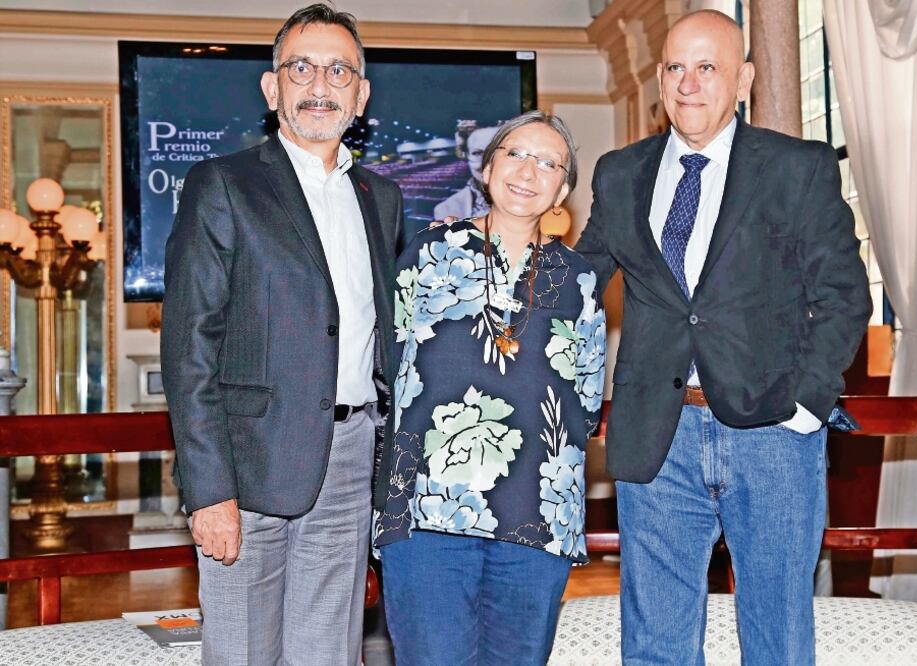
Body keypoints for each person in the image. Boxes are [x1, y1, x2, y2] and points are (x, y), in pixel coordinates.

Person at [574, 10, 871, 665]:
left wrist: (805, 406)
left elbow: (845, 295)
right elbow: (578, 282)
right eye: (676, 67)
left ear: (744, 79)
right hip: (658, 436)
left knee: (776, 639)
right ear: (658, 79)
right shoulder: (621, 173)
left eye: (707, 67)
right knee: (655, 646)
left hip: (772, 435)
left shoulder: (799, 168)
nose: (689, 84)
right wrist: (495, 256)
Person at [160, 5, 402, 665]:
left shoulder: (381, 198)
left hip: (351, 459)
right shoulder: (224, 185)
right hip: (249, 464)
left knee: (327, 653)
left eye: (338, 70)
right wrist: (209, 490)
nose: (319, 83)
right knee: (242, 652)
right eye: (301, 67)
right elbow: (190, 350)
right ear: (273, 89)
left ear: (361, 94)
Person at [371, 110, 607, 665]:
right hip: (426, 512)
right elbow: (388, 368)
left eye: (549, 163)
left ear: (563, 189)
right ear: (488, 166)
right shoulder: (427, 253)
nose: (528, 170)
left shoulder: (578, 279)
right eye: (516, 154)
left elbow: (587, 401)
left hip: (537, 514)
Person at [433, 125, 499, 220]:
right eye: (477, 153)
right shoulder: (446, 210)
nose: (487, 163)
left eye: (495, 151)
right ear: (467, 156)